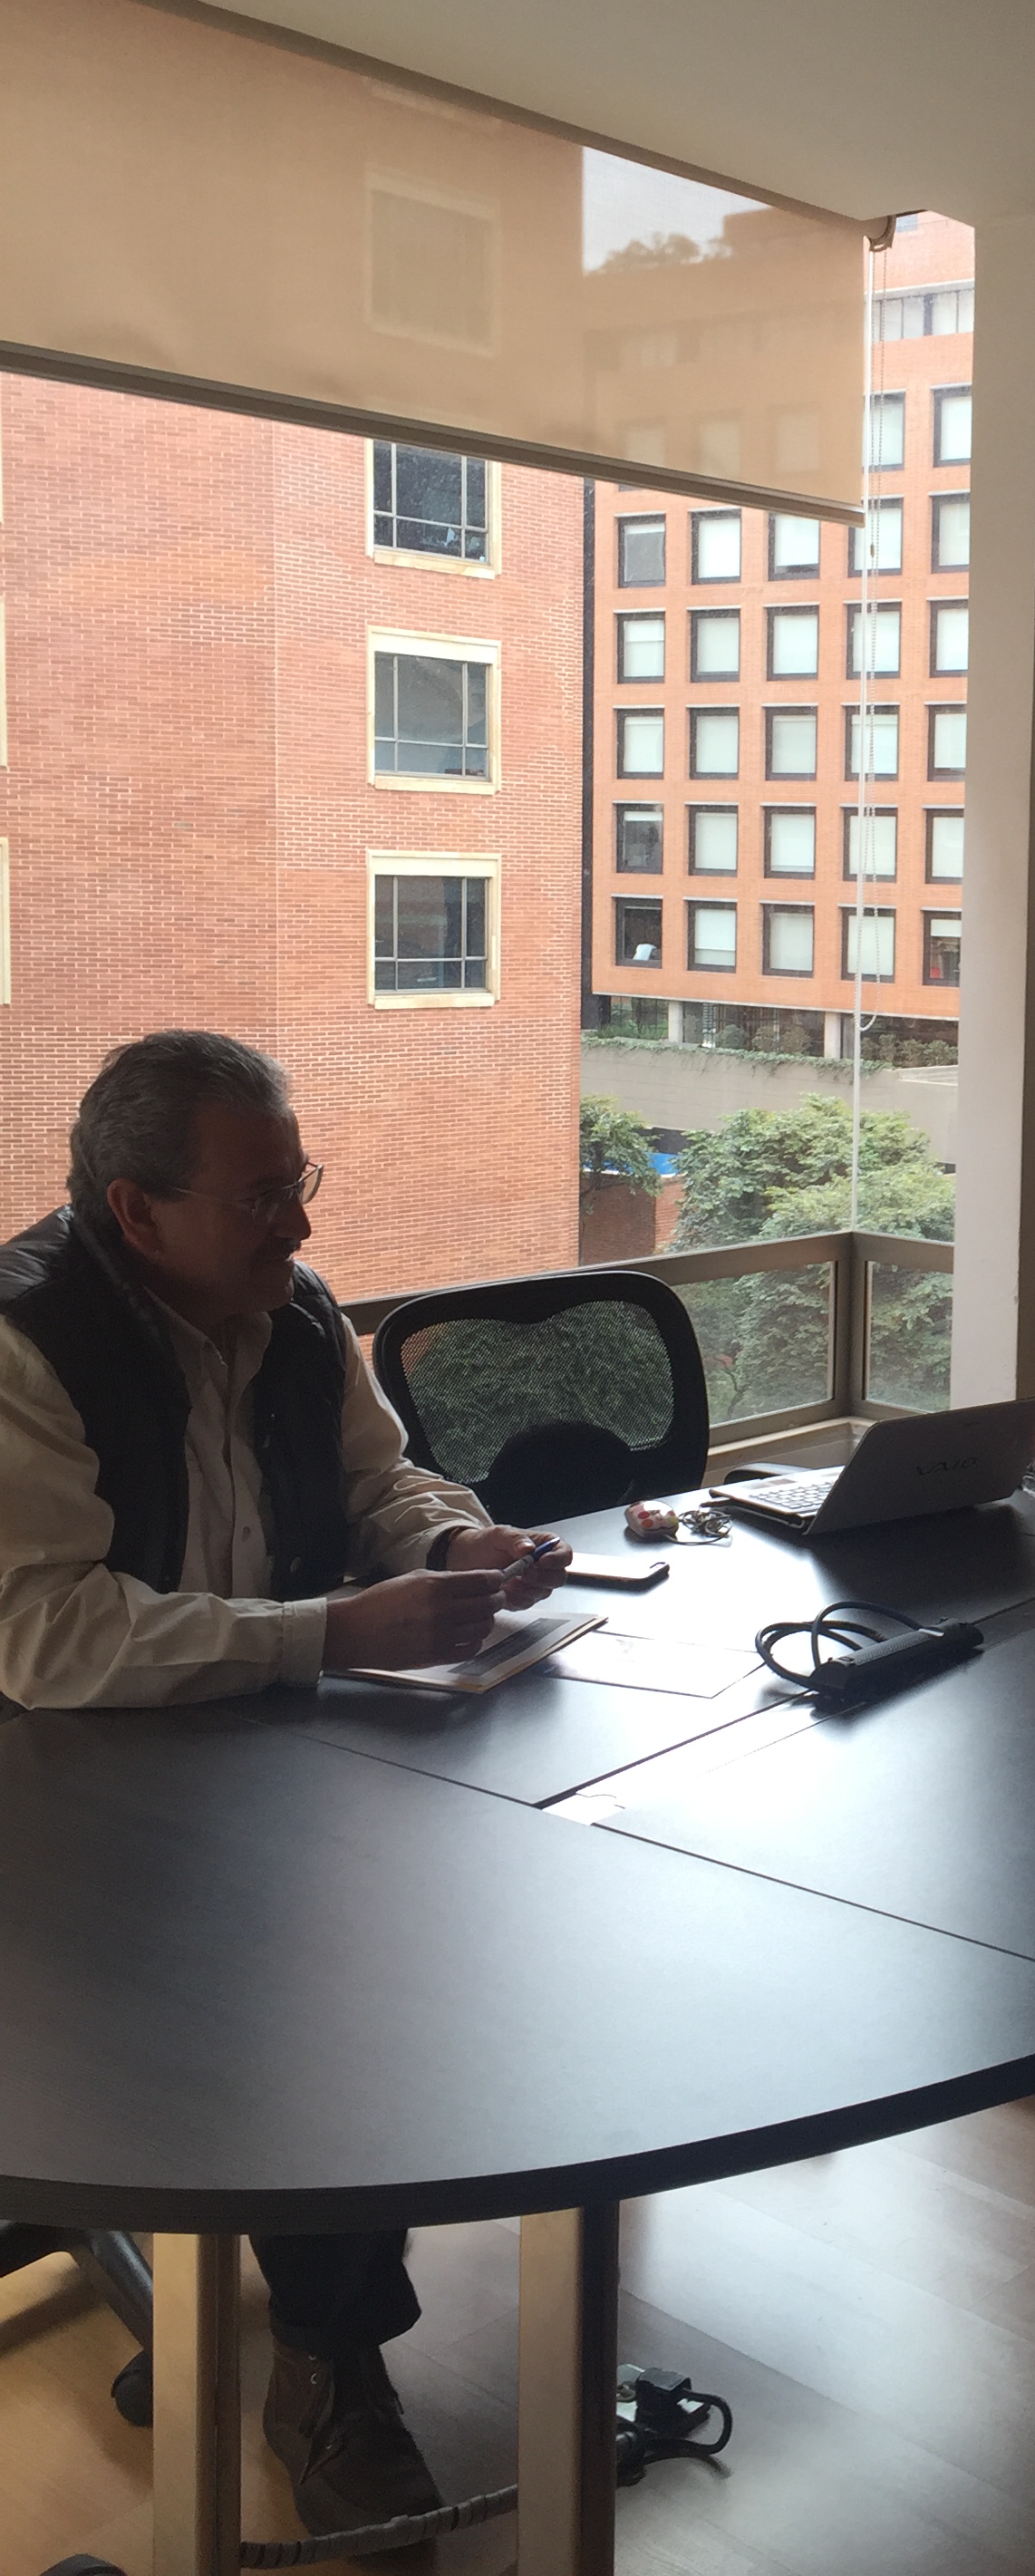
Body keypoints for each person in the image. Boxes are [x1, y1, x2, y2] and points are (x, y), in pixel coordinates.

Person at [0, 1031, 571, 2541]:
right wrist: (330, 1632)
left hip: (252, 1747)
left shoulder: (293, 1309)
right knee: (319, 2011)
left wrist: (453, 1539)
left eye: (297, 1181)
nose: (300, 1223)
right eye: (261, 1196)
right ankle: (332, 2365)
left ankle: (320, 2319)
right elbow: (46, 1635)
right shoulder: (24, 1344)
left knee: (390, 1954)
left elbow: (380, 1480)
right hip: (55, 1788)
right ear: (137, 1212)